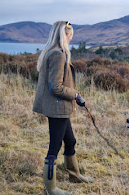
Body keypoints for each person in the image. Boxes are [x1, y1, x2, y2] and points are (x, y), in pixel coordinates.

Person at [33, 21, 93, 195]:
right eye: (70, 35)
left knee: (71, 141)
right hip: (57, 108)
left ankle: (74, 175)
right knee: (55, 146)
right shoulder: (58, 54)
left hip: (60, 108)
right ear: (64, 35)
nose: (71, 38)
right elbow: (56, 87)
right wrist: (75, 94)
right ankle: (50, 189)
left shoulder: (52, 52)